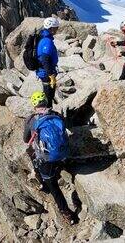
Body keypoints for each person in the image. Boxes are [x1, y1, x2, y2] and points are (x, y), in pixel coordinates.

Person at [23, 91, 77, 225]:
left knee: (53, 186)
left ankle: (66, 212)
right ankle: (58, 168)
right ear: (46, 102)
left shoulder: (31, 119)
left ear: (34, 105)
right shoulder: (56, 115)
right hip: (63, 154)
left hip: (46, 159)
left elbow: (25, 139)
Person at [37, 17, 60, 108]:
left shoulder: (44, 37)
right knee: (48, 95)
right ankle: (47, 112)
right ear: (51, 28)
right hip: (46, 73)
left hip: (45, 72)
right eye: (56, 28)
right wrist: (51, 75)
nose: (57, 30)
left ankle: (48, 111)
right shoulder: (47, 41)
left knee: (48, 94)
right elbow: (44, 59)